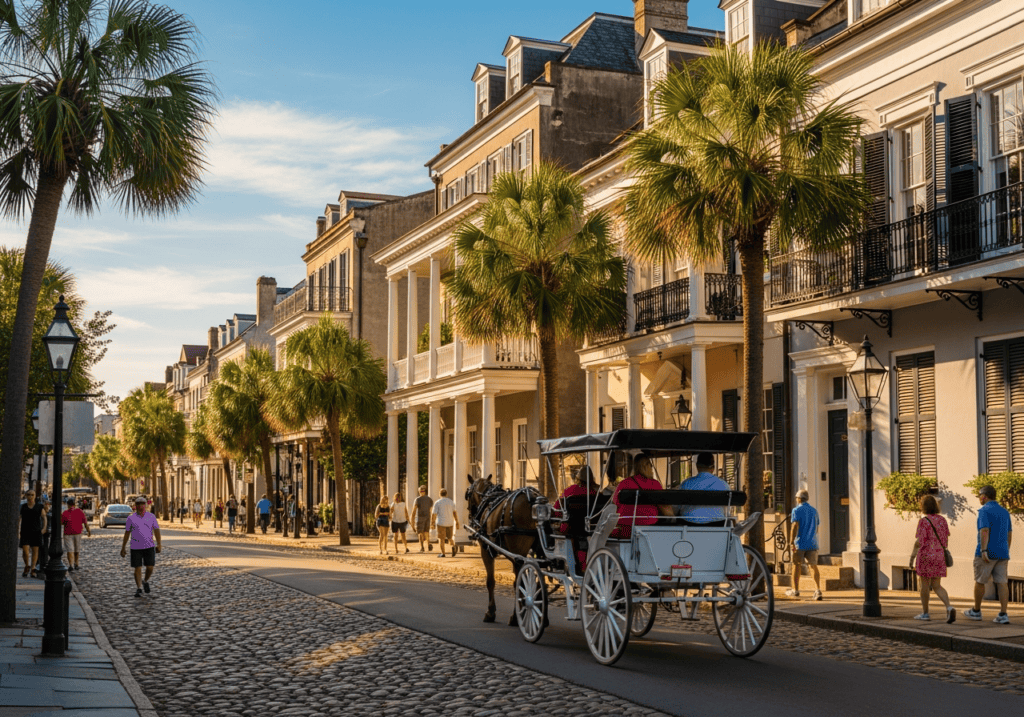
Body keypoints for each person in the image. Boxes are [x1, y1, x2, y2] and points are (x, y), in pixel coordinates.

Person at [964, 485, 1013, 624]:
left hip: (987, 553)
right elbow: (1009, 534)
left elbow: (984, 530)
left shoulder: (984, 511)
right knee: (1002, 582)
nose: (979, 498)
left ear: (984, 496)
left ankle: (976, 611)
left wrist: (984, 550)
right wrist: (1006, 549)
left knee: (980, 581)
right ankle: (1003, 614)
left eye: (980, 496)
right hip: (1003, 552)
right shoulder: (1005, 512)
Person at [909, 494, 954, 622]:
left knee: (924, 585)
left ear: (923, 507)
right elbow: (946, 539)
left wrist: (912, 557)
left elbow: (919, 541)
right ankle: (949, 607)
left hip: (926, 555)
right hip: (939, 555)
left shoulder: (924, 521)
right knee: (937, 585)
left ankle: (925, 613)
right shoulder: (942, 520)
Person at [610, 454, 672, 539]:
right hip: (648, 529)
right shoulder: (655, 484)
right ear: (649, 467)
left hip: (626, 529)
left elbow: (614, 505)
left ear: (635, 467)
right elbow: (664, 508)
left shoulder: (624, 483)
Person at [555, 466, 598, 572]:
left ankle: (560, 561)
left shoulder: (570, 490)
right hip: (592, 527)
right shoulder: (596, 493)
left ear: (578, 478)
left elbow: (557, 510)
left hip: (572, 527)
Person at [120, 496, 162, 598]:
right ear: (135, 506)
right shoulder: (131, 518)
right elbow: (127, 533)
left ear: (145, 505)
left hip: (149, 546)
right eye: (138, 504)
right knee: (137, 568)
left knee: (150, 567)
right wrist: (123, 547)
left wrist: (159, 544)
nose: (140, 506)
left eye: (142, 503)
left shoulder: (151, 517)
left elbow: (156, 530)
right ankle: (139, 588)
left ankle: (145, 581)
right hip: (135, 547)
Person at [786, 489, 823, 601]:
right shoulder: (814, 511)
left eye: (796, 497)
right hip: (812, 543)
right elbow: (816, 529)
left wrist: (791, 541)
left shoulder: (796, 510)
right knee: (813, 566)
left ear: (799, 498)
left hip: (800, 543)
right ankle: (817, 590)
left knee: (796, 566)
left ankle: (795, 590)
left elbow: (794, 526)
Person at [678, 452, 731, 524]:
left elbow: (677, 507)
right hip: (717, 524)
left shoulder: (686, 483)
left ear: (697, 466)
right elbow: (727, 509)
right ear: (713, 468)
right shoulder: (724, 485)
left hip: (689, 524)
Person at [18, 490, 46, 578]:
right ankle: (27, 565)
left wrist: (44, 528)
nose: (30, 496)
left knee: (35, 551)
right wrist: (18, 530)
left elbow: (44, 517)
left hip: (36, 531)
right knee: (25, 551)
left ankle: (33, 568)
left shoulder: (39, 506)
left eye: (32, 495)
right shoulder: (23, 507)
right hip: (25, 531)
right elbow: (19, 519)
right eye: (29, 495)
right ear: (26, 496)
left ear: (35, 496)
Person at [62, 497, 91, 571]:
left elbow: (62, 523)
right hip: (77, 532)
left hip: (68, 533)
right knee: (76, 549)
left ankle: (71, 565)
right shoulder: (80, 511)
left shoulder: (65, 513)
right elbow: (85, 522)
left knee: (70, 550)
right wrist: (88, 531)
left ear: (68, 505)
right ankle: (76, 563)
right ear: (74, 504)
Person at [431, 488, 461, 558]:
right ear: (446, 494)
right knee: (450, 537)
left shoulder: (437, 502)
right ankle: (454, 546)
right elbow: (454, 512)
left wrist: (432, 523)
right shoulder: (451, 502)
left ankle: (443, 553)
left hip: (441, 523)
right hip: (450, 522)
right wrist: (457, 522)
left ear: (439, 494)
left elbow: (434, 514)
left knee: (441, 539)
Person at [412, 486, 434, 552]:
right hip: (427, 517)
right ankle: (428, 544)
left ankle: (422, 547)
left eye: (421, 491)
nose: (421, 492)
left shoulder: (417, 499)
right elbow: (431, 510)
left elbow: (414, 510)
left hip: (420, 518)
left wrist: (412, 519)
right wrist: (432, 520)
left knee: (420, 533)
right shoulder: (429, 499)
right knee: (426, 532)